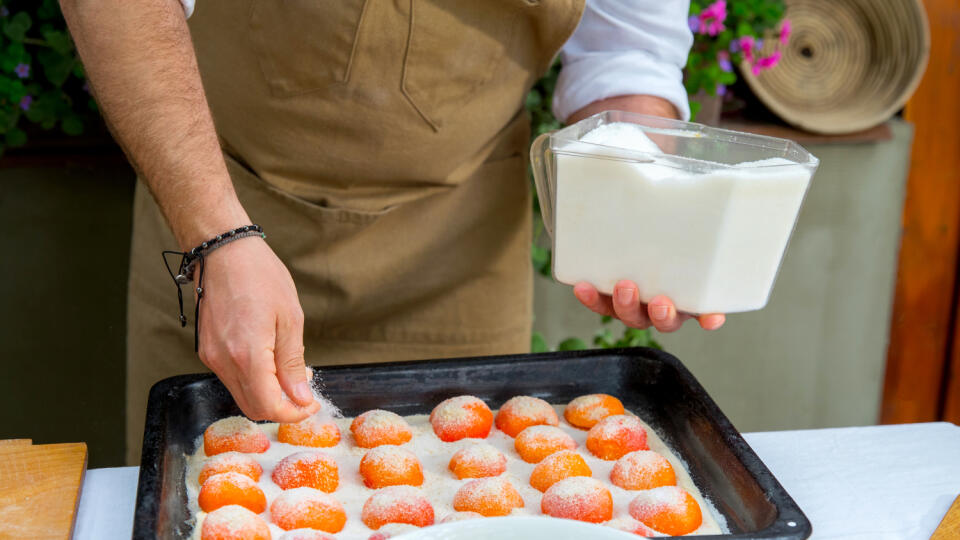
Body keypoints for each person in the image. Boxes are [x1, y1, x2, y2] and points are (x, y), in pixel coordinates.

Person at [60, 0, 725, 464]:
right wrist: (215, 236)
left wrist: (632, 205)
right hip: (221, 215)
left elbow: (626, 49)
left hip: (456, 252)